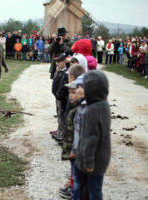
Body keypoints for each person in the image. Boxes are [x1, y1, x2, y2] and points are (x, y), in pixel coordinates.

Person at [75, 70, 111, 200]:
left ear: (92, 89)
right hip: (100, 160)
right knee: (93, 190)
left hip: (92, 162)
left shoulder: (93, 110)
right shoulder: (103, 104)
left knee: (92, 192)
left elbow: (92, 138)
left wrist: (89, 163)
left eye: (84, 86)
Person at [59, 65, 85, 199]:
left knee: (78, 177)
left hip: (78, 150)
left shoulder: (81, 110)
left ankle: (75, 192)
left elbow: (79, 132)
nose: (70, 95)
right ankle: (74, 190)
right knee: (75, 174)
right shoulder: (76, 106)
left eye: (72, 92)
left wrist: (74, 149)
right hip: (73, 147)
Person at [51, 54, 68, 141]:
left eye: (58, 62)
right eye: (56, 62)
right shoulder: (59, 71)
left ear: (63, 62)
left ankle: (61, 134)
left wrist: (59, 95)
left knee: (61, 116)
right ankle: (59, 131)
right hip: (57, 97)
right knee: (59, 115)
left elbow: (63, 87)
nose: (56, 63)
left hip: (61, 98)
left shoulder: (66, 73)